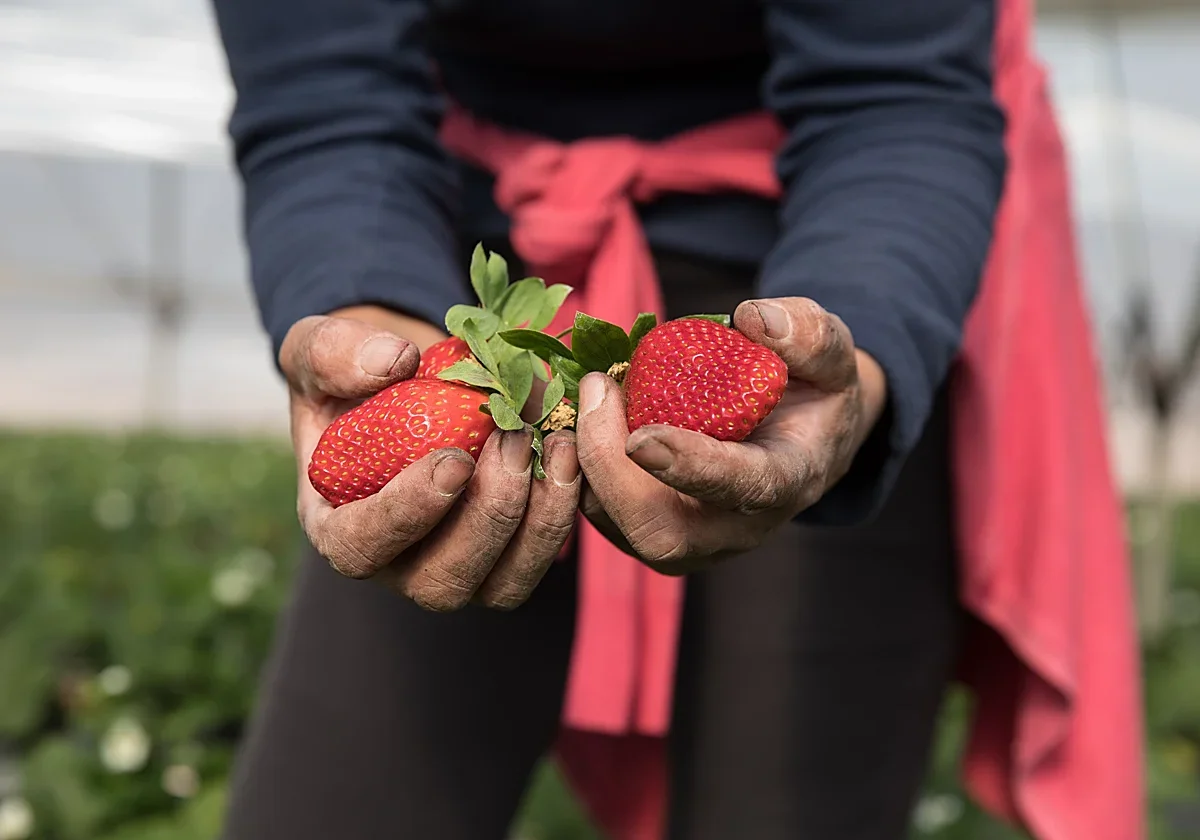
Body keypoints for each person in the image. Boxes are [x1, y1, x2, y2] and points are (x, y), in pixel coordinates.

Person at [210, 0, 1144, 838]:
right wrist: (365, 310)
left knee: (791, 791)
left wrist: (848, 364)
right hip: (450, 281)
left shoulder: (797, 339)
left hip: (823, 265)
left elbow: (895, 95)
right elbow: (325, 97)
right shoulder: (446, 366)